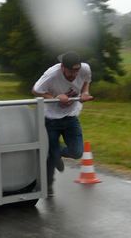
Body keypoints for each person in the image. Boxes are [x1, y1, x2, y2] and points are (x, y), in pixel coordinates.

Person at [31, 51, 94, 196]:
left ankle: (56, 152)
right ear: (62, 67)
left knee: (77, 152)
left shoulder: (85, 69)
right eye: (71, 71)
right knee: (50, 157)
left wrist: (85, 92)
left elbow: (86, 81)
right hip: (50, 118)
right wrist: (55, 97)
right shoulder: (51, 74)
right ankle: (48, 186)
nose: (74, 74)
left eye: (76, 71)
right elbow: (35, 90)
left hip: (71, 116)